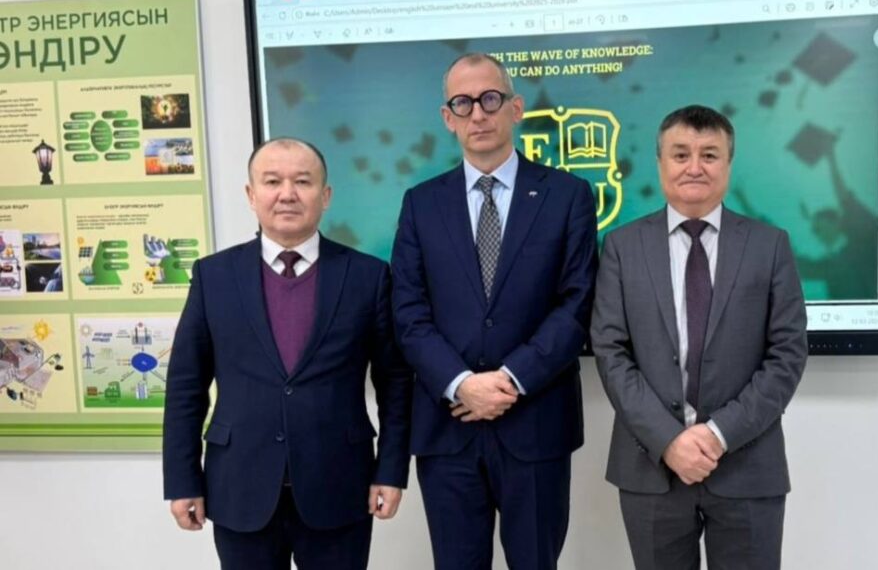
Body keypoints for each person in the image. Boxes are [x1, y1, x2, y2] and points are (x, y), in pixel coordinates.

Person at [162, 137, 412, 570]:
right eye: (272, 181)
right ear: (251, 194)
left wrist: (391, 470)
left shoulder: (368, 276)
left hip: (340, 486)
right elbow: (186, 385)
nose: (287, 194)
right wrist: (183, 479)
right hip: (240, 486)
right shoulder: (213, 276)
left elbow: (396, 384)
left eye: (303, 181)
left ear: (325, 195)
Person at [390, 53, 597, 570]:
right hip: (448, 429)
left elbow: (577, 303)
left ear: (515, 107)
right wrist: (461, 383)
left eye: (489, 99)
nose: (478, 114)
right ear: (448, 117)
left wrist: (509, 380)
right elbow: (408, 312)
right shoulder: (421, 203)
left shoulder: (567, 195)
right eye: (463, 103)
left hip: (536, 422)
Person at [591, 105, 808, 570]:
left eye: (709, 155)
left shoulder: (770, 245)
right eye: (680, 154)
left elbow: (787, 354)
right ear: (660, 163)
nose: (694, 167)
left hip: (747, 465)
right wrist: (669, 440)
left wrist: (718, 434)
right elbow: (611, 352)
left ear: (728, 164)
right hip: (651, 468)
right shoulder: (622, 247)